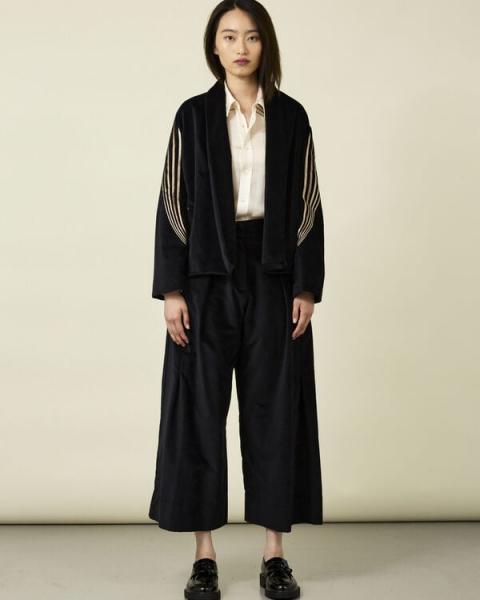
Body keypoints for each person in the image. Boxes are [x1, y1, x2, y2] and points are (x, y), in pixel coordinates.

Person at [148, 1, 325, 598]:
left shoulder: (292, 117)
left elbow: (308, 203)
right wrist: (172, 288)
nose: (241, 47)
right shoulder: (193, 116)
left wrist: (305, 286)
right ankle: (204, 556)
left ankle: (275, 555)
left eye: (251, 36)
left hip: (274, 274)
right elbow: (172, 200)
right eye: (229, 37)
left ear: (264, 44)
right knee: (198, 410)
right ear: (214, 47)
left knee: (276, 411)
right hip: (205, 275)